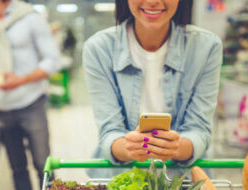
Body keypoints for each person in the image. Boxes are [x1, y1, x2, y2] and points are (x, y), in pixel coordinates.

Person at [83, 0, 222, 178]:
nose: (153, 2)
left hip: (183, 181)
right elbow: (110, 131)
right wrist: (128, 147)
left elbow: (199, 129)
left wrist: (177, 148)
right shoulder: (98, 48)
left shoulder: (206, 47)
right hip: (121, 180)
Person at [0, 0, 59, 190]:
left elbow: (52, 60)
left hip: (31, 102)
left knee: (43, 165)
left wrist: (21, 80)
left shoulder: (30, 17)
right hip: (1, 107)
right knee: (18, 169)